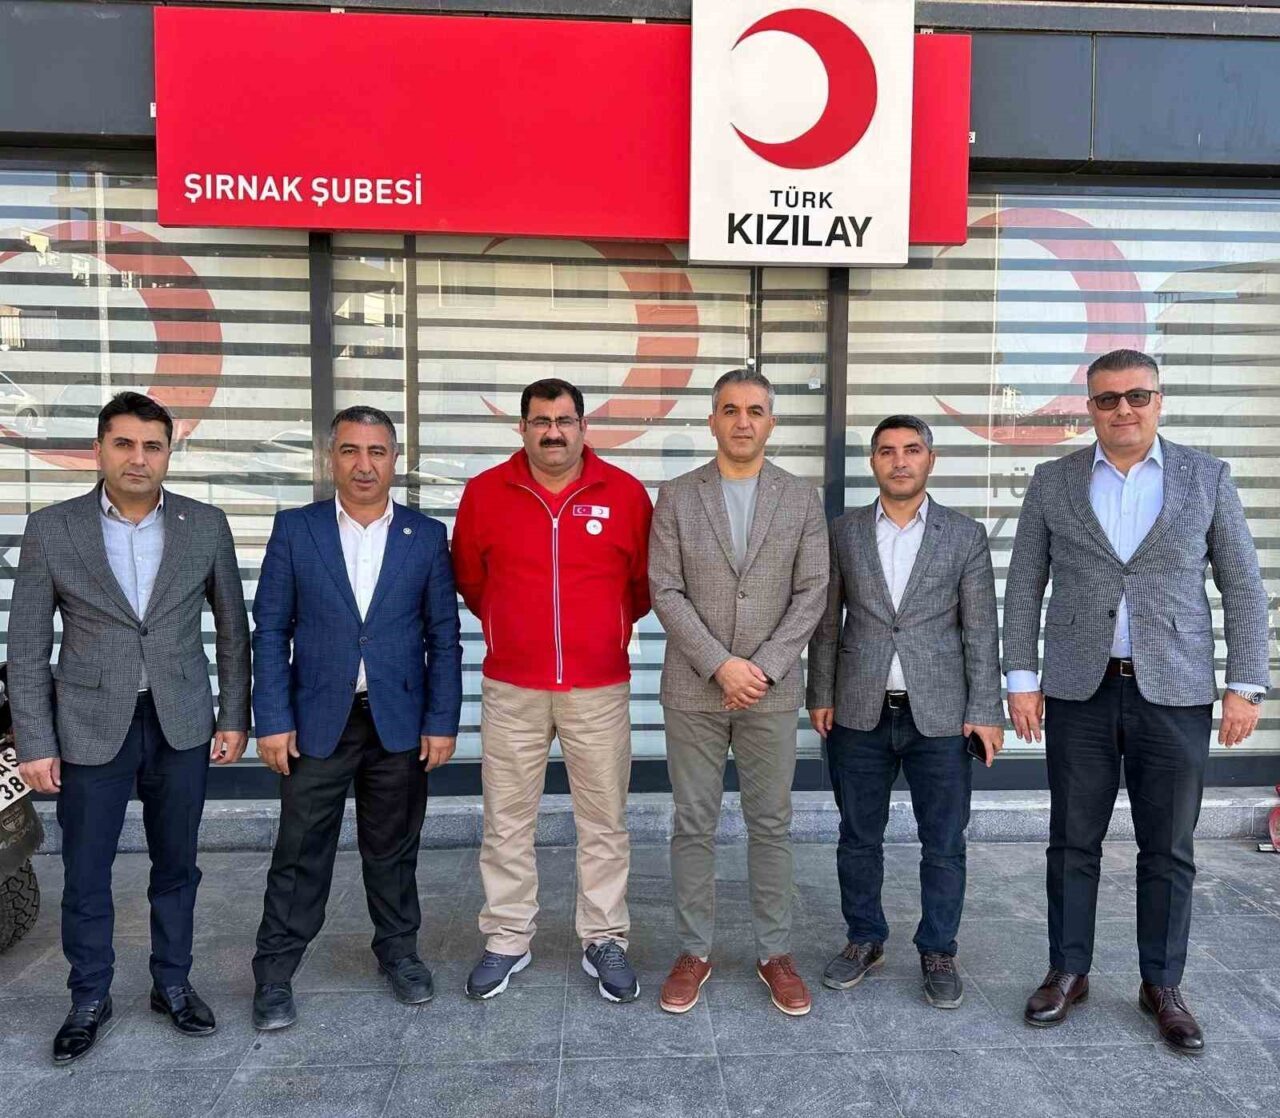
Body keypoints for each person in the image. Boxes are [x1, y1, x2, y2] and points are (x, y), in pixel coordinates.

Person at [1004, 348, 1269, 1053]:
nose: (1123, 409)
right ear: (1089, 407)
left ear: (1158, 400)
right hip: (1078, 690)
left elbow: (1243, 586)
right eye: (1107, 398)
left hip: (1175, 691)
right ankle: (1068, 970)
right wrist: (1020, 680)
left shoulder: (1206, 477)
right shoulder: (1053, 480)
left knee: (1169, 847)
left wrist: (1245, 684)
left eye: (1136, 396)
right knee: (1072, 840)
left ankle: (1163, 984)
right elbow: (1025, 583)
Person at [9, 391, 250, 1063]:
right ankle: (88, 996)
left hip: (180, 723)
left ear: (169, 453)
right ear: (99, 450)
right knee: (86, 871)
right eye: (124, 444)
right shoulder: (52, 528)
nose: (138, 458)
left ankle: (172, 984)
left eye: (152, 445)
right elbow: (26, 644)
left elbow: (234, 630)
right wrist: (36, 741)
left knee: (177, 867)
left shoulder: (206, 525)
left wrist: (234, 715)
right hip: (89, 725)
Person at [249, 406, 462, 1029]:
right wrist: (272, 719)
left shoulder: (425, 536)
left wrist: (441, 720)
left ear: (395, 459)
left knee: (394, 849)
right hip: (316, 721)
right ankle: (274, 973)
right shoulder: (297, 529)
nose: (363, 464)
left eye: (376, 451)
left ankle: (399, 953)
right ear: (331, 458)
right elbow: (270, 630)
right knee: (299, 851)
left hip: (398, 722)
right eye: (350, 450)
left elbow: (443, 636)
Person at [451, 378, 652, 1003]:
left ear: (584, 426)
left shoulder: (625, 493)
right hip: (513, 685)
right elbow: (472, 581)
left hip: (598, 686)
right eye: (541, 421)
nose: (553, 432)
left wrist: (601, 632)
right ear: (522, 428)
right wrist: (512, 629)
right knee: (507, 820)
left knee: (604, 821)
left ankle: (605, 937)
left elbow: (642, 586)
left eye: (565, 420)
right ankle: (508, 936)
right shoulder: (486, 493)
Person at [807, 415, 1004, 1009]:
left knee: (943, 841)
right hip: (858, 709)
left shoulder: (964, 535)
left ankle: (938, 948)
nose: (900, 461)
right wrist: (820, 694)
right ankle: (864, 938)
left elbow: (980, 631)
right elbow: (826, 621)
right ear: (873, 461)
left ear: (930, 460)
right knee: (857, 837)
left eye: (912, 449)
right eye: (887, 451)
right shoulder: (843, 533)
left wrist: (986, 708)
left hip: (940, 715)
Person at [649, 367, 828, 1017]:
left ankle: (774, 952)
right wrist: (721, 665)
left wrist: (762, 668)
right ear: (712, 421)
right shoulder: (677, 495)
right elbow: (665, 589)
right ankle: (693, 951)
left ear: (771, 422)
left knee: (771, 824)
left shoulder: (800, 498)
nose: (743, 421)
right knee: (693, 822)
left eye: (755, 410)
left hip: (770, 692)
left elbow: (812, 591)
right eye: (730, 410)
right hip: (694, 687)